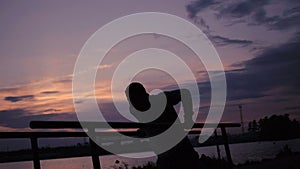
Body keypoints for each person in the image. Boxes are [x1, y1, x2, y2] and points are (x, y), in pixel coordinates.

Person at [125, 82, 200, 169]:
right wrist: (144, 129)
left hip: (183, 153)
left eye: (134, 98)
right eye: (129, 100)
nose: (132, 103)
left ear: (143, 95)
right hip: (164, 158)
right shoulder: (134, 110)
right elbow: (149, 121)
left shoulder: (160, 99)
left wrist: (188, 118)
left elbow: (184, 93)